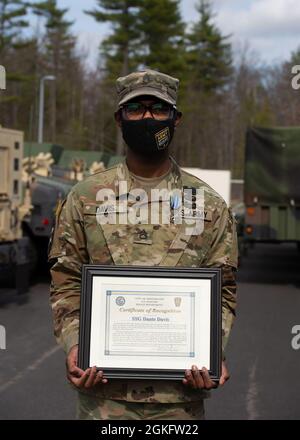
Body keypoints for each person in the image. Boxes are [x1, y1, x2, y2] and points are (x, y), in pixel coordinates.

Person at [48, 69, 238, 420]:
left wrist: (213, 349)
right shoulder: (86, 198)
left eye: (158, 109)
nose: (147, 118)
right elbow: (66, 280)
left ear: (175, 119)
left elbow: (223, 291)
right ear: (119, 119)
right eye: (135, 109)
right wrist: (75, 343)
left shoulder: (208, 204)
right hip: (104, 397)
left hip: (179, 399)